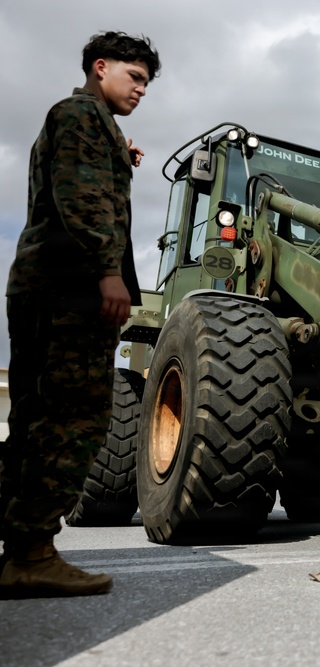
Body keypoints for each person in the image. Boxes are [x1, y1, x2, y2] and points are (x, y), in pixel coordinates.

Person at [0, 31, 160, 598]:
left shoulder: (91, 123)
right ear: (100, 67)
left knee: (36, 418)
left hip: (47, 288)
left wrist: (122, 159)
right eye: (134, 77)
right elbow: (81, 198)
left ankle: (17, 548)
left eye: (146, 82)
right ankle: (32, 553)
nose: (142, 89)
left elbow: (82, 184)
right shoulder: (79, 114)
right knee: (76, 415)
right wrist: (107, 271)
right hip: (69, 290)